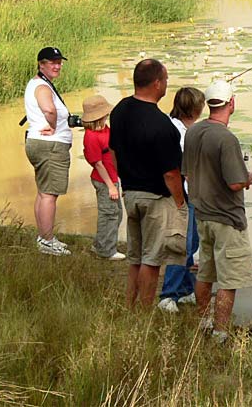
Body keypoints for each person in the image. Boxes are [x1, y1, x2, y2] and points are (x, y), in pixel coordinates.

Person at [109, 58, 187, 310]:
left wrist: (124, 179)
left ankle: (129, 307)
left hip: (130, 194)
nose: (166, 84)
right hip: (155, 199)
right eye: (165, 80)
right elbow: (171, 174)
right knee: (151, 261)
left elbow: (112, 151)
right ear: (156, 83)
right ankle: (144, 313)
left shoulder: (120, 109)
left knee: (135, 258)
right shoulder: (162, 125)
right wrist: (180, 202)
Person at [183, 80, 252, 343]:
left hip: (202, 214)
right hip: (227, 218)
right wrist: (247, 178)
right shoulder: (226, 138)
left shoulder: (192, 132)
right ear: (231, 103)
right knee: (228, 278)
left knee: (205, 272)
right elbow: (235, 182)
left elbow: (188, 174)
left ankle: (204, 322)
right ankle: (220, 333)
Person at [158, 87, 206, 313]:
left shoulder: (173, 124)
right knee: (183, 245)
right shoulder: (183, 134)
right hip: (183, 194)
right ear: (195, 110)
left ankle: (186, 290)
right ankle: (168, 295)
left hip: (185, 192)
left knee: (192, 242)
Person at [23, 46, 73, 256]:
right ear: (40, 64)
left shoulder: (40, 84)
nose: (57, 65)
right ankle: (47, 241)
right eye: (52, 62)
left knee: (44, 192)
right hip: (50, 146)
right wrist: (52, 125)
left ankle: (43, 237)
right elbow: (49, 109)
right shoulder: (42, 87)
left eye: (59, 62)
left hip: (40, 144)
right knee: (49, 195)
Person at [81, 94, 125, 261]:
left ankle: (102, 244)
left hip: (112, 177)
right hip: (103, 180)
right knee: (109, 214)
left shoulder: (106, 129)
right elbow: (98, 164)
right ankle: (106, 251)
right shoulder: (91, 136)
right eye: (105, 113)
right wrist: (111, 186)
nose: (107, 115)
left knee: (117, 213)